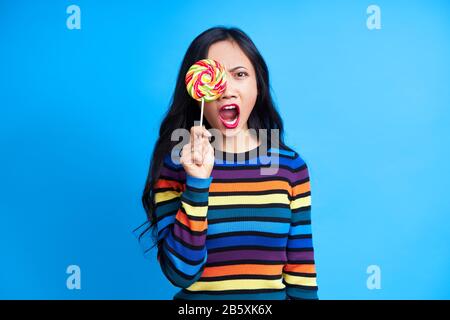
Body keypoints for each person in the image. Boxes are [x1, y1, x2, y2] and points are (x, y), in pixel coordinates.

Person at [136, 26, 319, 300]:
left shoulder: (290, 167)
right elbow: (180, 273)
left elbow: (301, 274)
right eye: (216, 78)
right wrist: (197, 183)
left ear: (258, 84)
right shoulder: (176, 164)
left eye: (240, 75)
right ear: (196, 90)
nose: (227, 90)